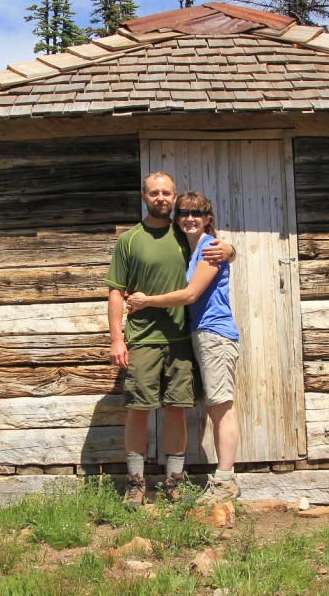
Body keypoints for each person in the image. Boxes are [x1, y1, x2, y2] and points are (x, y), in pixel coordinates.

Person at [104, 172, 234, 508]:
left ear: (174, 196)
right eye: (154, 193)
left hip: (181, 339)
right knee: (138, 410)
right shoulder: (129, 240)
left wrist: (230, 249)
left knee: (176, 410)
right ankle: (136, 483)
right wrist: (117, 339)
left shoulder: (186, 234)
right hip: (143, 339)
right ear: (144, 196)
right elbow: (116, 291)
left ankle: (174, 481)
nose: (161, 198)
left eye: (166, 193)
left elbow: (220, 249)